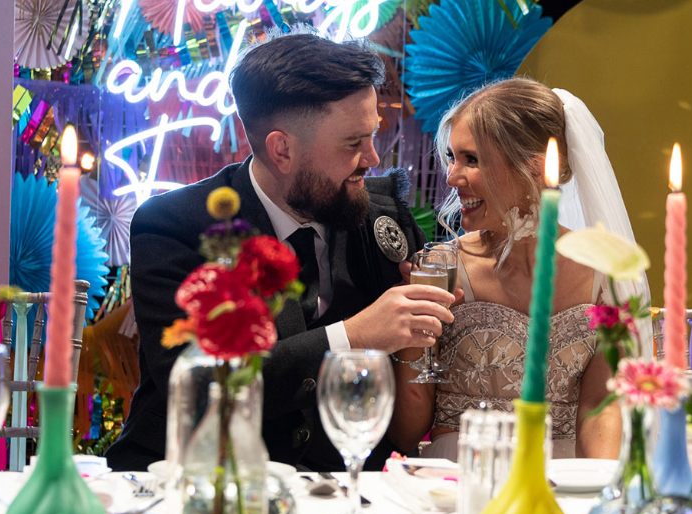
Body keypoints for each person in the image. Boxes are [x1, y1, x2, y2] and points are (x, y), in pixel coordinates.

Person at [106, 32, 457, 472]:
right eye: (353, 143)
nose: (372, 158)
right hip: (199, 484)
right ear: (282, 149)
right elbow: (196, 389)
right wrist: (353, 337)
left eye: (372, 136)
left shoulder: (381, 218)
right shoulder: (177, 227)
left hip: (349, 491)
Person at [389, 78, 651, 461]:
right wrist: (413, 334)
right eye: (452, 157)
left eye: (472, 159)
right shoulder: (440, 269)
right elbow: (405, 432)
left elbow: (601, 410)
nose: (451, 177)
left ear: (532, 168)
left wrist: (595, 498)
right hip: (455, 482)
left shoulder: (606, 275)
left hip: (561, 482)